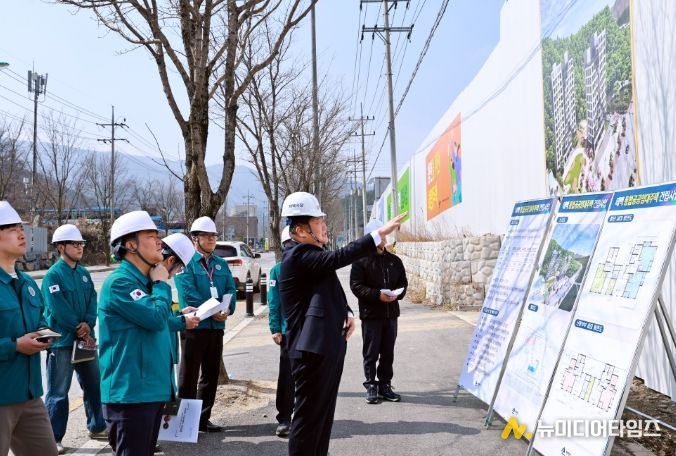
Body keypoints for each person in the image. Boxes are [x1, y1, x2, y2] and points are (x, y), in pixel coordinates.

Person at [279, 192, 405, 456]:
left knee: (323, 417)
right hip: (310, 352)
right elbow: (338, 258)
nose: (324, 226)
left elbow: (330, 289)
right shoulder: (298, 255)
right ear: (300, 230)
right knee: (308, 420)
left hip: (325, 347)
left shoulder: (312, 255)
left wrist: (346, 312)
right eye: (318, 222)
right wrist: (377, 235)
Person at [98, 211, 176, 455]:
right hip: (131, 395)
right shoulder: (120, 282)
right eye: (151, 236)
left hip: (150, 391)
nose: (159, 241)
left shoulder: (146, 282)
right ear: (131, 245)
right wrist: (161, 283)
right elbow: (156, 318)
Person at [42, 224, 107, 454]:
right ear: (61, 247)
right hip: (62, 342)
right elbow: (57, 308)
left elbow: (92, 301)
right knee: (58, 392)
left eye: (82, 244)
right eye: (75, 244)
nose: (80, 247)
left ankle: (98, 426)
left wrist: (88, 324)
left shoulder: (84, 274)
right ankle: (53, 438)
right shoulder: (52, 276)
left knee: (94, 385)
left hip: (85, 339)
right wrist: (78, 327)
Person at [0, 201, 57, 456]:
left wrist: (44, 333)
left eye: (21, 228)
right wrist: (15, 346)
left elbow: (39, 319)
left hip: (30, 395)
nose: (21, 234)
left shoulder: (28, 283)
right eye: (12, 229)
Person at [175, 216, 237, 432]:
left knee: (210, 375)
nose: (211, 239)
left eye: (214, 236)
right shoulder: (185, 264)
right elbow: (189, 294)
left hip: (216, 328)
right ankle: (184, 424)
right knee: (189, 376)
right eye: (206, 236)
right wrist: (213, 311)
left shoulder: (221, 264)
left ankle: (202, 419)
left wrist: (227, 309)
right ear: (195, 238)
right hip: (195, 326)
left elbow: (230, 289)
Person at [349, 219, 408, 404]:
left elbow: (403, 282)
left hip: (391, 314)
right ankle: (371, 385)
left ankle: (385, 385)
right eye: (380, 235)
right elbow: (356, 286)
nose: (383, 239)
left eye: (384, 235)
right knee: (371, 352)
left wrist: (397, 294)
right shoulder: (361, 261)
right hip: (371, 315)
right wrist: (377, 295)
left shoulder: (394, 261)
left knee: (388, 352)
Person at [268, 225, 294, 437]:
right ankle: (284, 417)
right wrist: (275, 328)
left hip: (311, 331)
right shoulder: (277, 270)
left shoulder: (312, 266)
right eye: (288, 245)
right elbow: (273, 301)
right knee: (287, 377)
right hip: (288, 332)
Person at [159, 233, 201, 363]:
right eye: (180, 267)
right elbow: (155, 320)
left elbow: (163, 313)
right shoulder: (156, 284)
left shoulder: (156, 282)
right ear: (171, 260)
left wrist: (179, 314)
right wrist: (182, 321)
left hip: (163, 356)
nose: (178, 272)